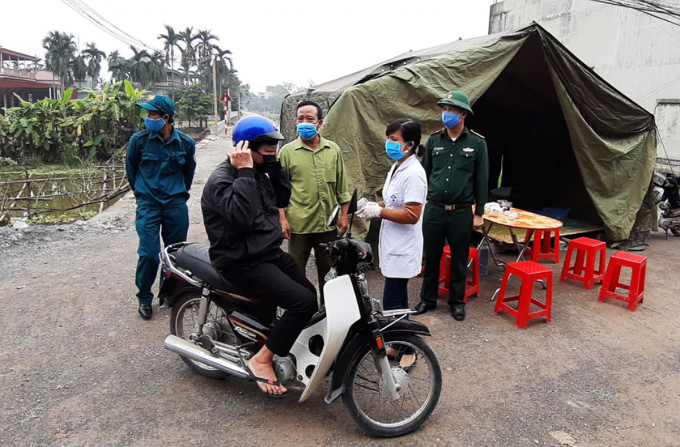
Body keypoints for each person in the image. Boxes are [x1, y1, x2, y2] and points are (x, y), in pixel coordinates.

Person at [201, 115, 318, 397]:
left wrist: (273, 166)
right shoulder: (221, 180)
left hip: (265, 253)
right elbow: (240, 218)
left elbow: (282, 198)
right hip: (240, 261)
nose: (271, 152)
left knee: (309, 294)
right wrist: (244, 172)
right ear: (243, 148)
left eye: (274, 147)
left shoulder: (262, 171)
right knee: (301, 303)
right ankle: (261, 359)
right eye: (264, 148)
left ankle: (276, 341)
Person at [412, 91, 489, 321]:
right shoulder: (434, 140)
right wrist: (419, 205)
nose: (446, 114)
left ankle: (457, 302)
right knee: (431, 256)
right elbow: (423, 174)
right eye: (444, 110)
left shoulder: (477, 143)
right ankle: (427, 299)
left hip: (462, 211)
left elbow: (482, 180)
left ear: (463, 114)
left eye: (451, 110)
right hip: (434, 209)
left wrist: (480, 213)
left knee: (458, 259)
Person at [357, 118, 428, 368]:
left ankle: (407, 350)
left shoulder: (414, 174)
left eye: (394, 140)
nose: (389, 143)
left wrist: (379, 213)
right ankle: (398, 344)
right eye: (388, 138)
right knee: (395, 301)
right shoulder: (397, 166)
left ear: (409, 145)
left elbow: (411, 214)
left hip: (403, 246)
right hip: (393, 244)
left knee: (395, 302)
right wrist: (376, 205)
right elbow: (394, 201)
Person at [126, 95, 196, 320]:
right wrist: (141, 194)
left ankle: (168, 293)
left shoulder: (185, 143)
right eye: (147, 114)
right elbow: (131, 169)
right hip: (148, 204)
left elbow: (188, 175)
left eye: (152, 114)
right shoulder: (139, 141)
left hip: (175, 204)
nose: (147, 118)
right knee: (148, 253)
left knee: (175, 253)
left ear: (166, 118)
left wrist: (178, 195)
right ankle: (144, 298)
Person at [278, 101, 352, 296]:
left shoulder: (333, 150)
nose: (304, 123)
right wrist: (282, 219)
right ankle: (300, 316)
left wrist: (344, 216)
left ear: (319, 123)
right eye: (300, 118)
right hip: (298, 226)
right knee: (296, 275)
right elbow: (280, 190)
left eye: (309, 119)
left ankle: (327, 315)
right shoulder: (287, 152)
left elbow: (342, 187)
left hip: (327, 225)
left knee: (329, 275)